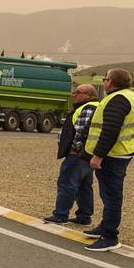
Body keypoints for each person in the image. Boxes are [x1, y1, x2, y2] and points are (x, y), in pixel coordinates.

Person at [81, 68, 134, 252]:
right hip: (125, 151)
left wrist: (98, 155)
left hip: (112, 154)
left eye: (105, 79)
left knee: (111, 195)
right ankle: (105, 226)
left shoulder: (117, 100)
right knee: (110, 193)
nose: (104, 82)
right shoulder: (133, 97)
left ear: (110, 82)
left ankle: (110, 236)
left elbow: (110, 130)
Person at [43, 83, 99, 225]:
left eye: (77, 92)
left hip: (78, 155)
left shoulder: (88, 108)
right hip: (87, 155)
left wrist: (75, 150)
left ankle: (61, 214)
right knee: (84, 185)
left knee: (67, 183)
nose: (74, 95)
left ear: (89, 95)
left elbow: (82, 132)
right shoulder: (93, 107)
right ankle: (84, 216)